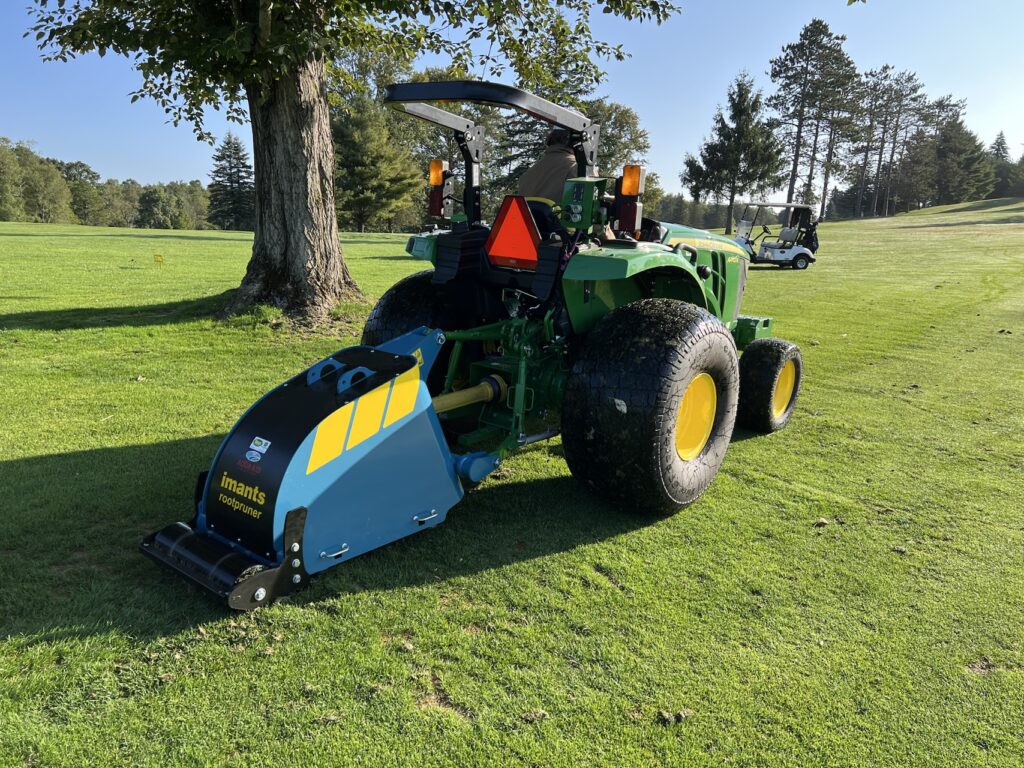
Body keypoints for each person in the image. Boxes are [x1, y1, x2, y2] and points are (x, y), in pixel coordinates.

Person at [517, 129, 578, 204]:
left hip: (523, 215)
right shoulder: (576, 166)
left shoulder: (529, 172)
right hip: (556, 215)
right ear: (575, 143)